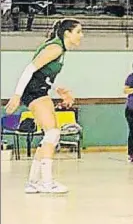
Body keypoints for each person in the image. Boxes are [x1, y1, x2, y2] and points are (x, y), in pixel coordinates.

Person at [5, 19, 83, 194]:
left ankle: (33, 182)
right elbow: (29, 70)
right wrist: (17, 95)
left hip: (39, 91)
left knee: (51, 135)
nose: (81, 35)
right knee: (52, 133)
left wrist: (59, 90)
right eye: (78, 31)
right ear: (67, 33)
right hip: (33, 92)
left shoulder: (60, 50)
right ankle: (47, 182)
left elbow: (43, 75)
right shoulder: (55, 48)